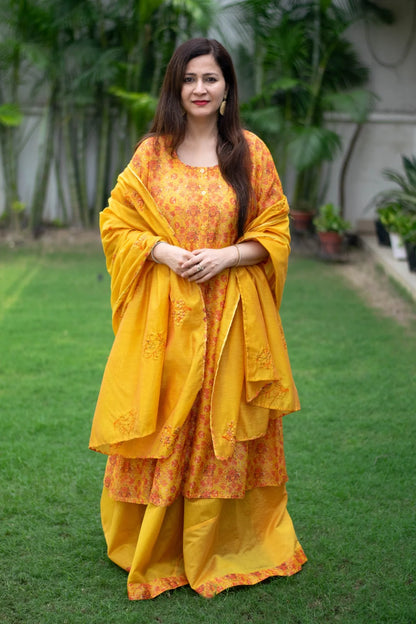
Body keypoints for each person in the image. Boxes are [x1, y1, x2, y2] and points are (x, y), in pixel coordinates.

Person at [89, 37, 306, 600]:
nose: (200, 89)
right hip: (165, 316)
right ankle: (155, 543)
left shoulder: (250, 152)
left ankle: (222, 542)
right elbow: (117, 223)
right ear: (175, 87)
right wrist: (160, 251)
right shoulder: (153, 153)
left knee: (218, 423)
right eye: (189, 79)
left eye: (210, 78)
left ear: (228, 87)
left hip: (232, 315)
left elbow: (275, 230)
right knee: (166, 418)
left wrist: (226, 256)